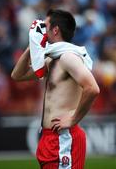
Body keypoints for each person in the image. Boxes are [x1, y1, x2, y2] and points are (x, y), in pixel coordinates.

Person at [11, 9, 100, 169]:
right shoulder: (52, 59)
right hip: (49, 138)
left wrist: (73, 119)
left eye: (45, 26)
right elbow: (17, 75)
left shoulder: (68, 57)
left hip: (63, 138)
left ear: (55, 29)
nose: (41, 29)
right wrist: (33, 44)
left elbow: (92, 88)